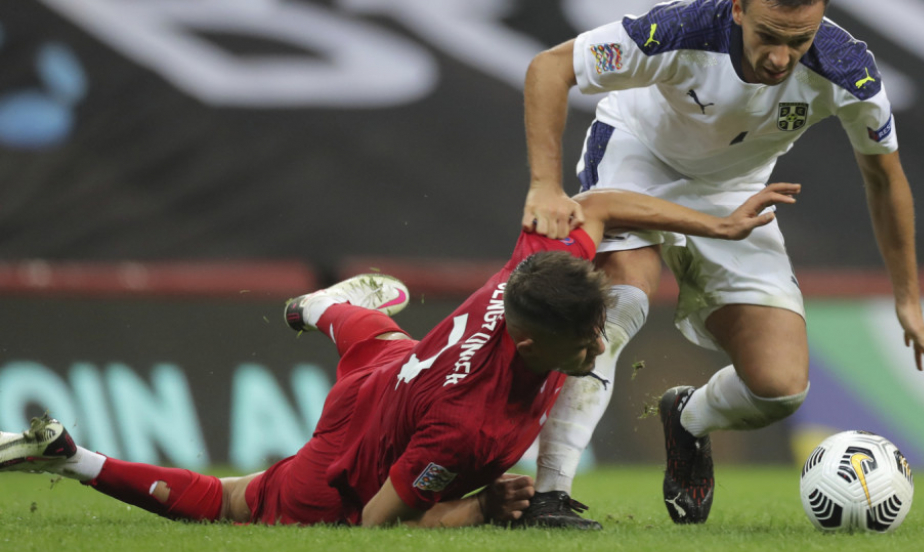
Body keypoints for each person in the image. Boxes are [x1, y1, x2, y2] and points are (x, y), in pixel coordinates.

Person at [0, 183, 797, 528]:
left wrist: (715, 226)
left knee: (380, 342)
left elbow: (593, 206)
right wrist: (480, 510)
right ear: (526, 345)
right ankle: (74, 459)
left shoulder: (530, 277)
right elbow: (382, 525)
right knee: (237, 502)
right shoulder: (470, 431)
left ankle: (323, 305)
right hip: (351, 452)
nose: (597, 345)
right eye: (582, 340)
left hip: (397, 371)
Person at [519, 0, 924, 529]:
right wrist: (545, 184)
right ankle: (551, 495)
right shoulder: (681, 29)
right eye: (768, 35)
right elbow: (549, 68)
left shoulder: (845, 68)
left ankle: (689, 419)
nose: (779, 57)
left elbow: (885, 179)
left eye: (798, 41)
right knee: (621, 306)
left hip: (736, 192)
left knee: (779, 387)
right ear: (739, 8)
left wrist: (907, 296)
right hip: (636, 159)